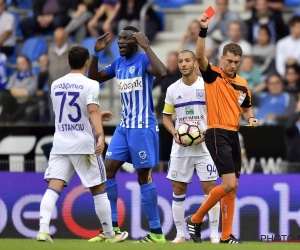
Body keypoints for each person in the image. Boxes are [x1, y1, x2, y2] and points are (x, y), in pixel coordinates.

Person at [36, 46, 128, 243]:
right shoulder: (90, 84)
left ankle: (43, 231)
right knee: (99, 188)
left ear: (69, 62)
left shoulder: (56, 84)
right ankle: (111, 234)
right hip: (83, 145)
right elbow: (92, 110)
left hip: (61, 143)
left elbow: (68, 110)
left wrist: (91, 115)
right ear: (87, 62)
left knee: (53, 188)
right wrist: (100, 134)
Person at [87, 26, 167, 243]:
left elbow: (162, 72)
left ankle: (157, 232)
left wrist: (147, 46)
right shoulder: (118, 63)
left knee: (143, 177)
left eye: (125, 40)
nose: (120, 43)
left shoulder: (143, 60)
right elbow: (93, 78)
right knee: (109, 169)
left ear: (135, 41)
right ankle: (111, 229)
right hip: (124, 127)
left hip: (143, 127)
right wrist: (96, 52)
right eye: (119, 40)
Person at [185, 12, 258, 244]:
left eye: (236, 62)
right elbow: (198, 55)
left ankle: (226, 236)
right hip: (216, 132)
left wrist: (251, 118)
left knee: (233, 187)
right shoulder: (212, 75)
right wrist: (203, 30)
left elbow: (246, 108)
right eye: (228, 61)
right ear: (221, 58)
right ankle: (196, 219)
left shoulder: (243, 84)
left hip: (234, 134)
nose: (232, 65)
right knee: (227, 183)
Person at [163, 50, 220, 243]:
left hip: (206, 146)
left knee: (211, 188)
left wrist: (208, 130)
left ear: (195, 63)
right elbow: (166, 117)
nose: (183, 64)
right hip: (181, 148)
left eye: (187, 60)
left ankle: (214, 234)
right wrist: (174, 133)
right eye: (180, 61)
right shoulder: (172, 89)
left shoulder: (207, 86)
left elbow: (216, 113)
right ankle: (179, 235)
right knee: (178, 189)